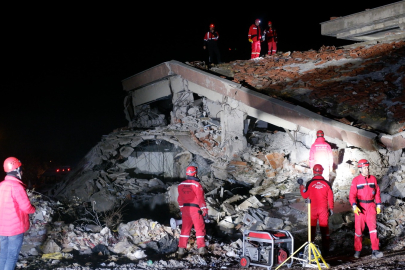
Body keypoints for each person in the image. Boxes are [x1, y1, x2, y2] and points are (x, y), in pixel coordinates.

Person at [0, 157, 36, 270]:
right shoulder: (17, 187)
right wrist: (34, 209)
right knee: (12, 256)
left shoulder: (1, 185)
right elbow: (26, 207)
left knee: (2, 255)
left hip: (1, 228)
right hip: (15, 229)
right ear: (17, 170)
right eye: (21, 170)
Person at [349, 159, 383, 259]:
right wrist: (354, 206)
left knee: (373, 230)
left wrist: (378, 204)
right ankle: (357, 250)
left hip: (371, 206)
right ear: (360, 169)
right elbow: (352, 195)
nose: (367, 169)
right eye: (364, 168)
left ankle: (375, 250)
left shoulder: (373, 179)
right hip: (360, 207)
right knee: (358, 231)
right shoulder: (356, 180)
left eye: (367, 168)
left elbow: (377, 193)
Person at [298, 164, 334, 256]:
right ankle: (326, 251)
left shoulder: (309, 183)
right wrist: (332, 208)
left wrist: (301, 186)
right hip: (323, 209)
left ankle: (310, 251)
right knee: (324, 230)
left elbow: (305, 195)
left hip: (312, 209)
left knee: (312, 229)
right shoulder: (327, 183)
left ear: (313, 171)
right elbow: (330, 197)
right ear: (322, 171)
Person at [177, 166, 208, 257]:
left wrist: (182, 210)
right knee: (199, 229)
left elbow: (180, 199)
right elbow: (200, 199)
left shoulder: (180, 185)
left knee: (185, 230)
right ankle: (201, 251)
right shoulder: (197, 185)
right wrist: (204, 211)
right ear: (195, 173)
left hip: (185, 210)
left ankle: (181, 251)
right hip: (195, 210)